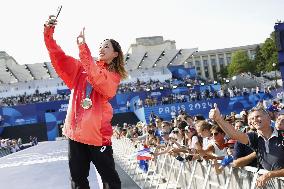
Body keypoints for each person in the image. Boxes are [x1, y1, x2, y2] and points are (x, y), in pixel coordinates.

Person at [44, 15, 127, 189]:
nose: (102, 48)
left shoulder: (113, 77)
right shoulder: (82, 69)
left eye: (107, 46)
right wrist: (48, 33)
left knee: (111, 182)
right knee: (78, 182)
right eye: (100, 46)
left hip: (98, 136)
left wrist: (83, 48)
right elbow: (59, 57)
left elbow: (97, 79)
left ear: (115, 54)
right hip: (76, 135)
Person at [209, 103, 284, 187]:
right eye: (252, 118)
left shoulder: (282, 136)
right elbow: (235, 134)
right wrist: (219, 119)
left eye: (258, 116)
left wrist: (270, 175)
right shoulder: (254, 138)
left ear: (268, 118)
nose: (254, 120)